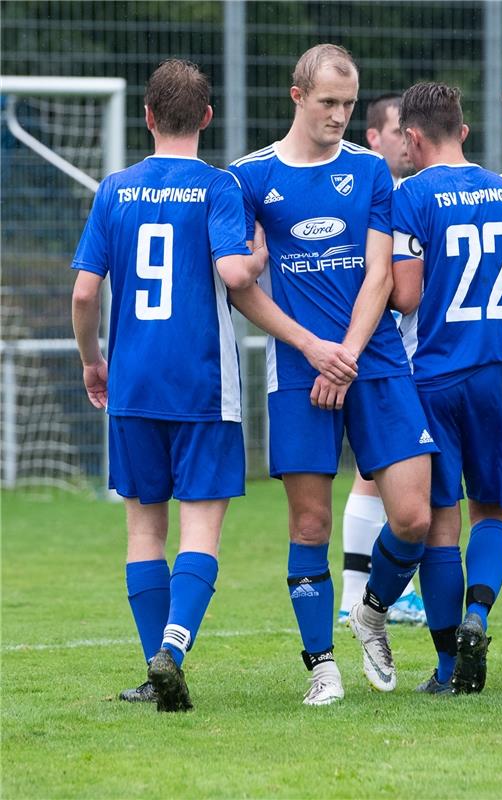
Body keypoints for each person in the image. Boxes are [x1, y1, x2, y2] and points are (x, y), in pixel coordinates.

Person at [70, 59, 355, 712]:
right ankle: (173, 647)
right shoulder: (218, 187)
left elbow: (86, 292)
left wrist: (93, 360)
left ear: (147, 117)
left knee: (144, 530)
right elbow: (233, 273)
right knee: (200, 531)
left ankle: (153, 668)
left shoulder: (115, 189)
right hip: (202, 385)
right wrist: (256, 257)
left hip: (135, 384)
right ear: (206, 117)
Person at [228, 44, 438, 705]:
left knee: (412, 517)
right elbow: (240, 287)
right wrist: (313, 349)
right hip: (299, 370)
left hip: (372, 362)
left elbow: (381, 273)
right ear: (297, 97)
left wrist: (342, 354)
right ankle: (321, 664)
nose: (340, 115)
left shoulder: (373, 171)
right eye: (328, 103)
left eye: (349, 105)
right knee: (309, 526)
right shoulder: (250, 177)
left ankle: (371, 610)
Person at [390, 81, 502, 694]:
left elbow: (406, 295)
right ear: (462, 132)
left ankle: (443, 670)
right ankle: (478, 616)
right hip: (499, 375)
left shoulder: (410, 195)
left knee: (441, 521)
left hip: (433, 376)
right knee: (494, 509)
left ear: (411, 138)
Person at [337, 93, 426, 628]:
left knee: (374, 476)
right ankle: (371, 595)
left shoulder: (399, 192)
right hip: (387, 352)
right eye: (400, 129)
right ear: (374, 136)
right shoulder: (381, 194)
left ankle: (361, 595)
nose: (409, 139)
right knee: (381, 475)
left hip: (395, 351)